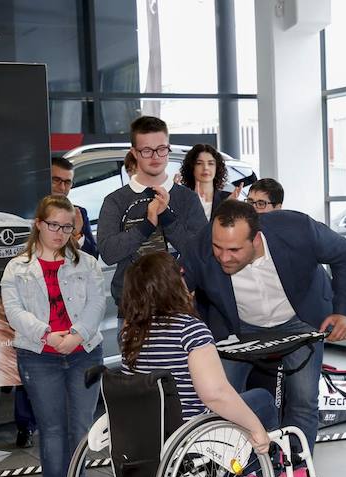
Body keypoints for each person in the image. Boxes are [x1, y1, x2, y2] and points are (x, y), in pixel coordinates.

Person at [182, 199, 346, 477]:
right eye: (218, 247)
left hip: (299, 321)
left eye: (233, 249)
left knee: (303, 402)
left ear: (256, 238)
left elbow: (343, 253)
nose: (223, 256)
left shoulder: (297, 230)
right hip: (236, 330)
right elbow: (176, 289)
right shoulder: (201, 247)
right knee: (223, 406)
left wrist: (343, 309)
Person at [1, 195, 105, 477]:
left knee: (80, 426)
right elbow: (14, 311)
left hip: (83, 352)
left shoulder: (86, 263)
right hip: (38, 354)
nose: (60, 233)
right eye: (53, 226)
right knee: (51, 426)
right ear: (38, 224)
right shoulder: (16, 267)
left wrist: (76, 335)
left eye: (67, 227)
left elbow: (97, 304)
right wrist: (46, 334)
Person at [119, 252, 273, 454]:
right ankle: (256, 472)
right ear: (173, 284)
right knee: (263, 399)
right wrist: (256, 429)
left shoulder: (131, 332)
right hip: (192, 433)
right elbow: (215, 395)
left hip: (149, 432)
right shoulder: (189, 330)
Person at [96, 116, 207, 314]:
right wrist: (146, 226)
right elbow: (108, 253)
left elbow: (200, 252)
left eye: (161, 149)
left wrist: (166, 216)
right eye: (147, 151)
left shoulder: (187, 198)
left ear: (168, 148)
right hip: (132, 307)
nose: (155, 157)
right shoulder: (115, 201)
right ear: (134, 153)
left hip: (181, 303)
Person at [177, 144, 243, 221]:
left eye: (211, 163)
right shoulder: (182, 198)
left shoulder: (227, 199)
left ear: (217, 168)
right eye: (199, 163)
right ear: (191, 167)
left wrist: (226, 207)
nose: (205, 167)